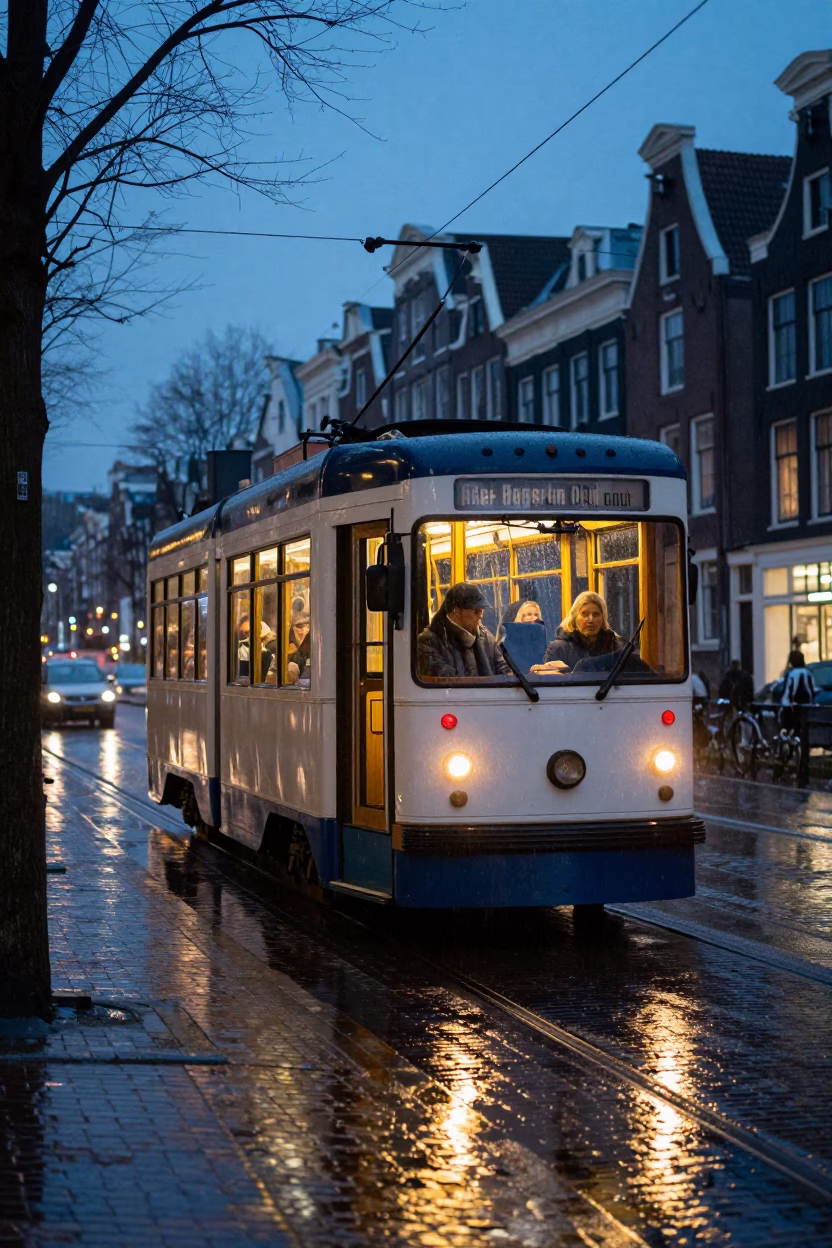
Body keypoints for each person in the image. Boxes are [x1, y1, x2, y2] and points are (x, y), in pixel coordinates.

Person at [417, 582, 511, 680]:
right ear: (456, 611)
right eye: (476, 611)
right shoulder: (428, 641)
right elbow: (446, 680)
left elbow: (504, 669)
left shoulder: (486, 636)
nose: (481, 615)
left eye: (482, 610)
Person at [531, 591, 623, 674]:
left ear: (603, 619)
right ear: (574, 617)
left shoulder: (616, 646)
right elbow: (552, 683)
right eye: (584, 614)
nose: (591, 619)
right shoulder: (558, 648)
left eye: (596, 615)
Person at [780, 652, 817, 733]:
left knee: (789, 723)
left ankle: (785, 731)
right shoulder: (808, 673)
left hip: (793, 706)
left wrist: (784, 703)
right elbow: (813, 689)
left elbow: (787, 691)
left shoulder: (791, 673)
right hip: (808, 705)